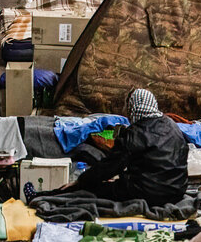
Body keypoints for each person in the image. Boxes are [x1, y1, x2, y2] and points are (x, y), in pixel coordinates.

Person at [29, 89, 187, 207]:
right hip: (176, 192)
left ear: (133, 108)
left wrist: (80, 182)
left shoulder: (135, 133)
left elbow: (109, 167)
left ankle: (41, 198)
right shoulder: (172, 127)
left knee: (88, 193)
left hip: (146, 193)